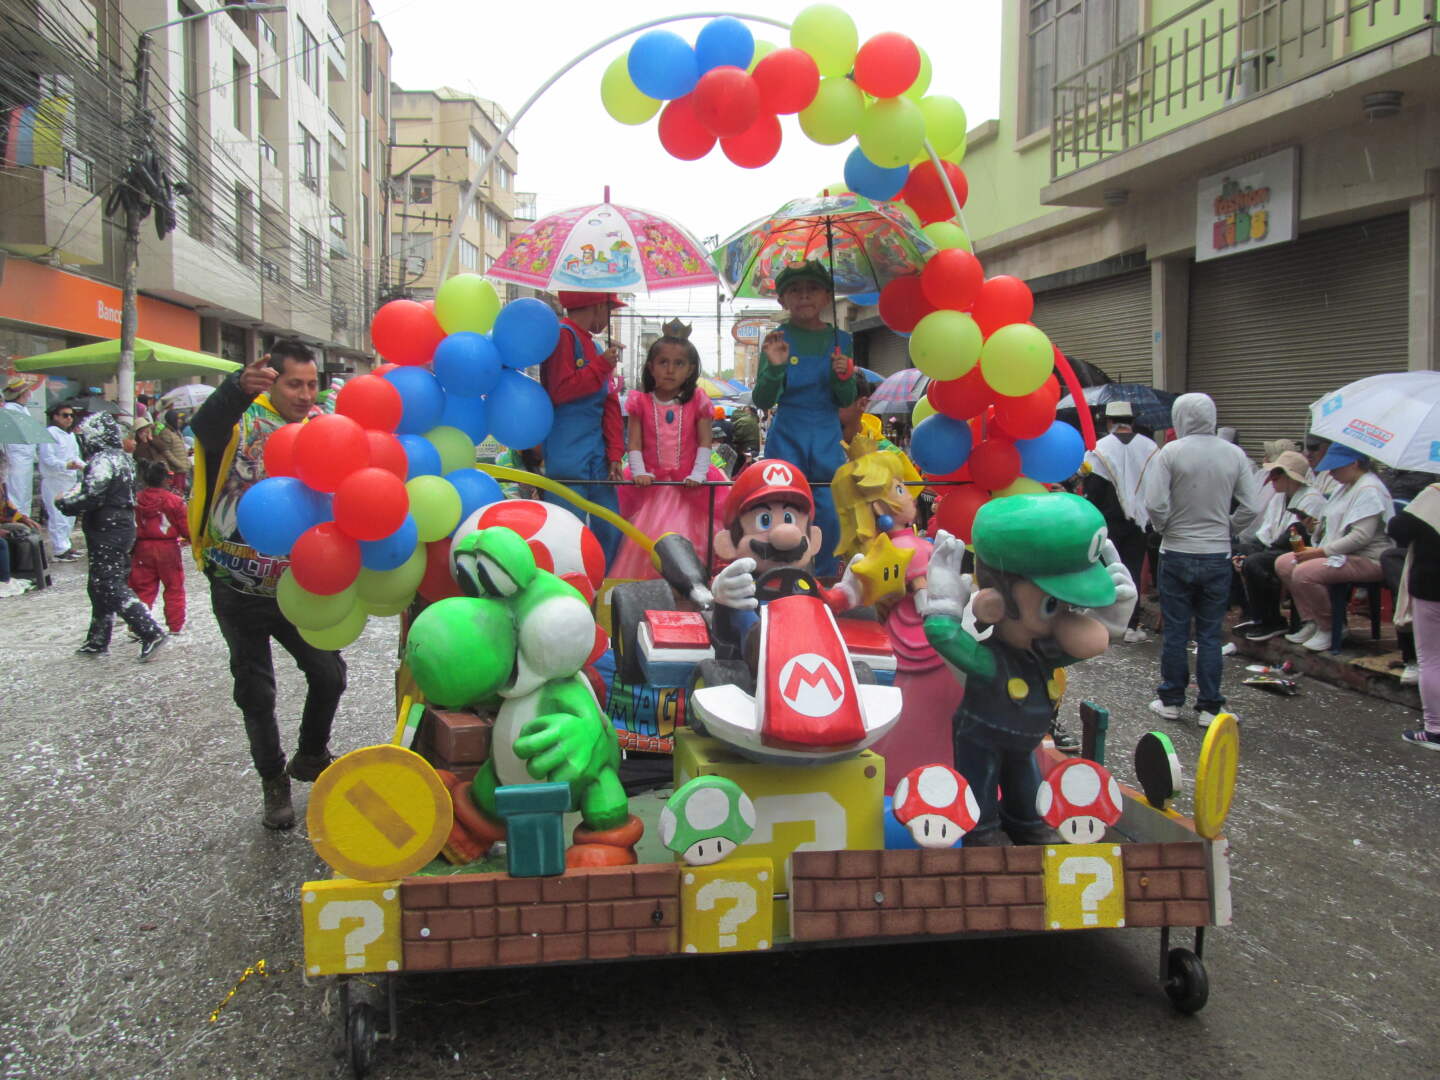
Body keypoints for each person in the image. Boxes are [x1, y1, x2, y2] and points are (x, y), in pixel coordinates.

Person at [190, 340, 347, 830]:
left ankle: (311, 754)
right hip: (235, 585)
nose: (305, 394)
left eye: (312, 384)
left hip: (296, 586)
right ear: (271, 382)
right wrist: (236, 389)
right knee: (256, 693)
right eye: (294, 384)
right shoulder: (242, 421)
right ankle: (273, 780)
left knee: (329, 675)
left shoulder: (322, 427)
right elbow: (205, 427)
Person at [922, 495, 1136, 845]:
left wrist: (1111, 620)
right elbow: (944, 636)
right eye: (1053, 605)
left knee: (1025, 780)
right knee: (980, 783)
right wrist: (944, 601)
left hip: (1025, 739)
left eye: (1069, 605)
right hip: (981, 736)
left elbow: (1082, 646)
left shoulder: (1044, 651)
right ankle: (981, 830)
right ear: (994, 605)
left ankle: (1026, 821)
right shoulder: (992, 662)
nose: (1067, 619)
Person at [832, 435, 961, 791]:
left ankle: (890, 777)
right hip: (927, 640)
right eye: (900, 489)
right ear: (878, 507)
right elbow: (928, 594)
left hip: (895, 639)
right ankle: (938, 781)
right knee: (938, 712)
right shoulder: (913, 548)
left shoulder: (878, 550)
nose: (911, 496)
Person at [1142, 393, 1262, 727]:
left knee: (1176, 631)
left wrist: (1165, 527)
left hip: (1176, 551)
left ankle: (1171, 700)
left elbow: (1155, 503)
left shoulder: (1170, 453)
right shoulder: (1234, 454)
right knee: (1210, 634)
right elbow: (1252, 506)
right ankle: (1210, 707)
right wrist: (1229, 528)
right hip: (1216, 554)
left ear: (1179, 417)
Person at [752, 261, 858, 576]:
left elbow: (847, 399)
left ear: (827, 296)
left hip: (826, 434)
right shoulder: (776, 338)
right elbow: (762, 400)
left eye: (812, 289)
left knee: (829, 511)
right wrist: (775, 368)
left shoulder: (842, 340)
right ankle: (781, 574)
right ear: (782, 300)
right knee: (783, 505)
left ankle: (824, 576)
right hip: (788, 434)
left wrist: (843, 376)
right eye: (795, 290)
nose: (804, 296)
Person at [56, 412, 166, 660]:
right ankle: (98, 639)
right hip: (120, 525)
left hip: (108, 527)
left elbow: (92, 495)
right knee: (100, 583)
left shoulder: (103, 460)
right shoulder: (121, 458)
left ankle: (150, 631)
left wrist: (64, 503)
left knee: (108, 583)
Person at [611, 334, 721, 580]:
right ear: (651, 367)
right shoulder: (640, 402)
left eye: (679, 363)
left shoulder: (698, 401)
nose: (670, 370)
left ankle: (690, 588)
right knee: (647, 541)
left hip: (689, 485)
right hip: (652, 485)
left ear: (690, 369)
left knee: (690, 541)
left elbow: (705, 442)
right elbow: (634, 443)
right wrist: (639, 472)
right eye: (663, 362)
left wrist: (698, 473)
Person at [1274, 445, 1393, 653]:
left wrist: (1319, 552)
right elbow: (1333, 523)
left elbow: (1360, 537)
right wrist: (1314, 529)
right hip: (1340, 553)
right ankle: (1311, 620)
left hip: (1368, 558)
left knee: (1304, 572)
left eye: (1336, 468)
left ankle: (1330, 627)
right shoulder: (1343, 487)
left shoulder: (1370, 489)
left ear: (1354, 464)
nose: (1331, 473)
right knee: (1284, 563)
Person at [539, 291, 626, 567]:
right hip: (568, 454)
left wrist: (615, 453)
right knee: (567, 532)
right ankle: (567, 581)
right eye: (610, 310)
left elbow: (610, 404)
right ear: (599, 306)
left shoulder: (597, 348)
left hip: (598, 458)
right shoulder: (563, 336)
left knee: (610, 528)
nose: (609, 318)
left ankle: (603, 582)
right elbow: (561, 390)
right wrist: (600, 367)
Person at [1082, 401, 1158, 643]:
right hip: (1140, 521)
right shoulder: (1150, 448)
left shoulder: (1098, 449)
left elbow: (1092, 490)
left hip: (1107, 520)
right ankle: (1131, 625)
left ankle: (1102, 620)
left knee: (1106, 569)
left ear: (1109, 422)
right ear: (1132, 421)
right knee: (1132, 571)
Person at [1237, 450, 1328, 641]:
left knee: (1255, 562)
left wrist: (1258, 554)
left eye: (1276, 474)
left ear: (1289, 477)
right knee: (1237, 553)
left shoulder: (1311, 499)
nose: (1271, 478)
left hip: (1299, 550)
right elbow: (1266, 531)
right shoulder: (1279, 497)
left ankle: (1272, 620)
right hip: (1275, 546)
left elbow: (1293, 536)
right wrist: (1246, 552)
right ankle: (1254, 615)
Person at [1388, 482, 1440, 748]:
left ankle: (1435, 729)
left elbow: (1398, 529)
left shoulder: (1434, 495)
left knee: (1431, 659)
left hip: (1432, 587)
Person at [129, 460, 189, 636]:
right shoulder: (174, 501)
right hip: (168, 547)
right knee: (174, 586)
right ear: (165, 479)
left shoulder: (136, 500)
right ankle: (175, 625)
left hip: (142, 547)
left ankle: (137, 626)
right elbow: (185, 527)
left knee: (143, 588)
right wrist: (191, 538)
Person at [38, 400, 84, 561]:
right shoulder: (49, 433)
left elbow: (75, 456)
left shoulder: (70, 435)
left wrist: (84, 466)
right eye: (65, 415)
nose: (69, 418)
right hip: (54, 480)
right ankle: (59, 549)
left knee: (69, 516)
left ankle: (66, 545)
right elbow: (47, 458)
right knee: (58, 516)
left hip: (69, 479)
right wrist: (65, 465)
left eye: (71, 415)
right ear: (55, 416)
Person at [0, 460, 41, 597]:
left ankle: (28, 571)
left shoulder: (2, 485)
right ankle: (4, 580)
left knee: (26, 530)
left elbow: (8, 505)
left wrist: (23, 518)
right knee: (4, 542)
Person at [3, 375, 38, 517]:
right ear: (23, 394)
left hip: (24, 458)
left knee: (24, 494)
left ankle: (25, 520)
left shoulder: (22, 409)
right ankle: (17, 522)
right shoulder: (10, 410)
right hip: (15, 457)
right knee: (16, 494)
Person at [730, 404, 761, 473]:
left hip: (744, 448)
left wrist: (733, 440)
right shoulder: (754, 419)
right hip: (755, 447)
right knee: (751, 466)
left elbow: (738, 437)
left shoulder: (743, 421)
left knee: (742, 467)